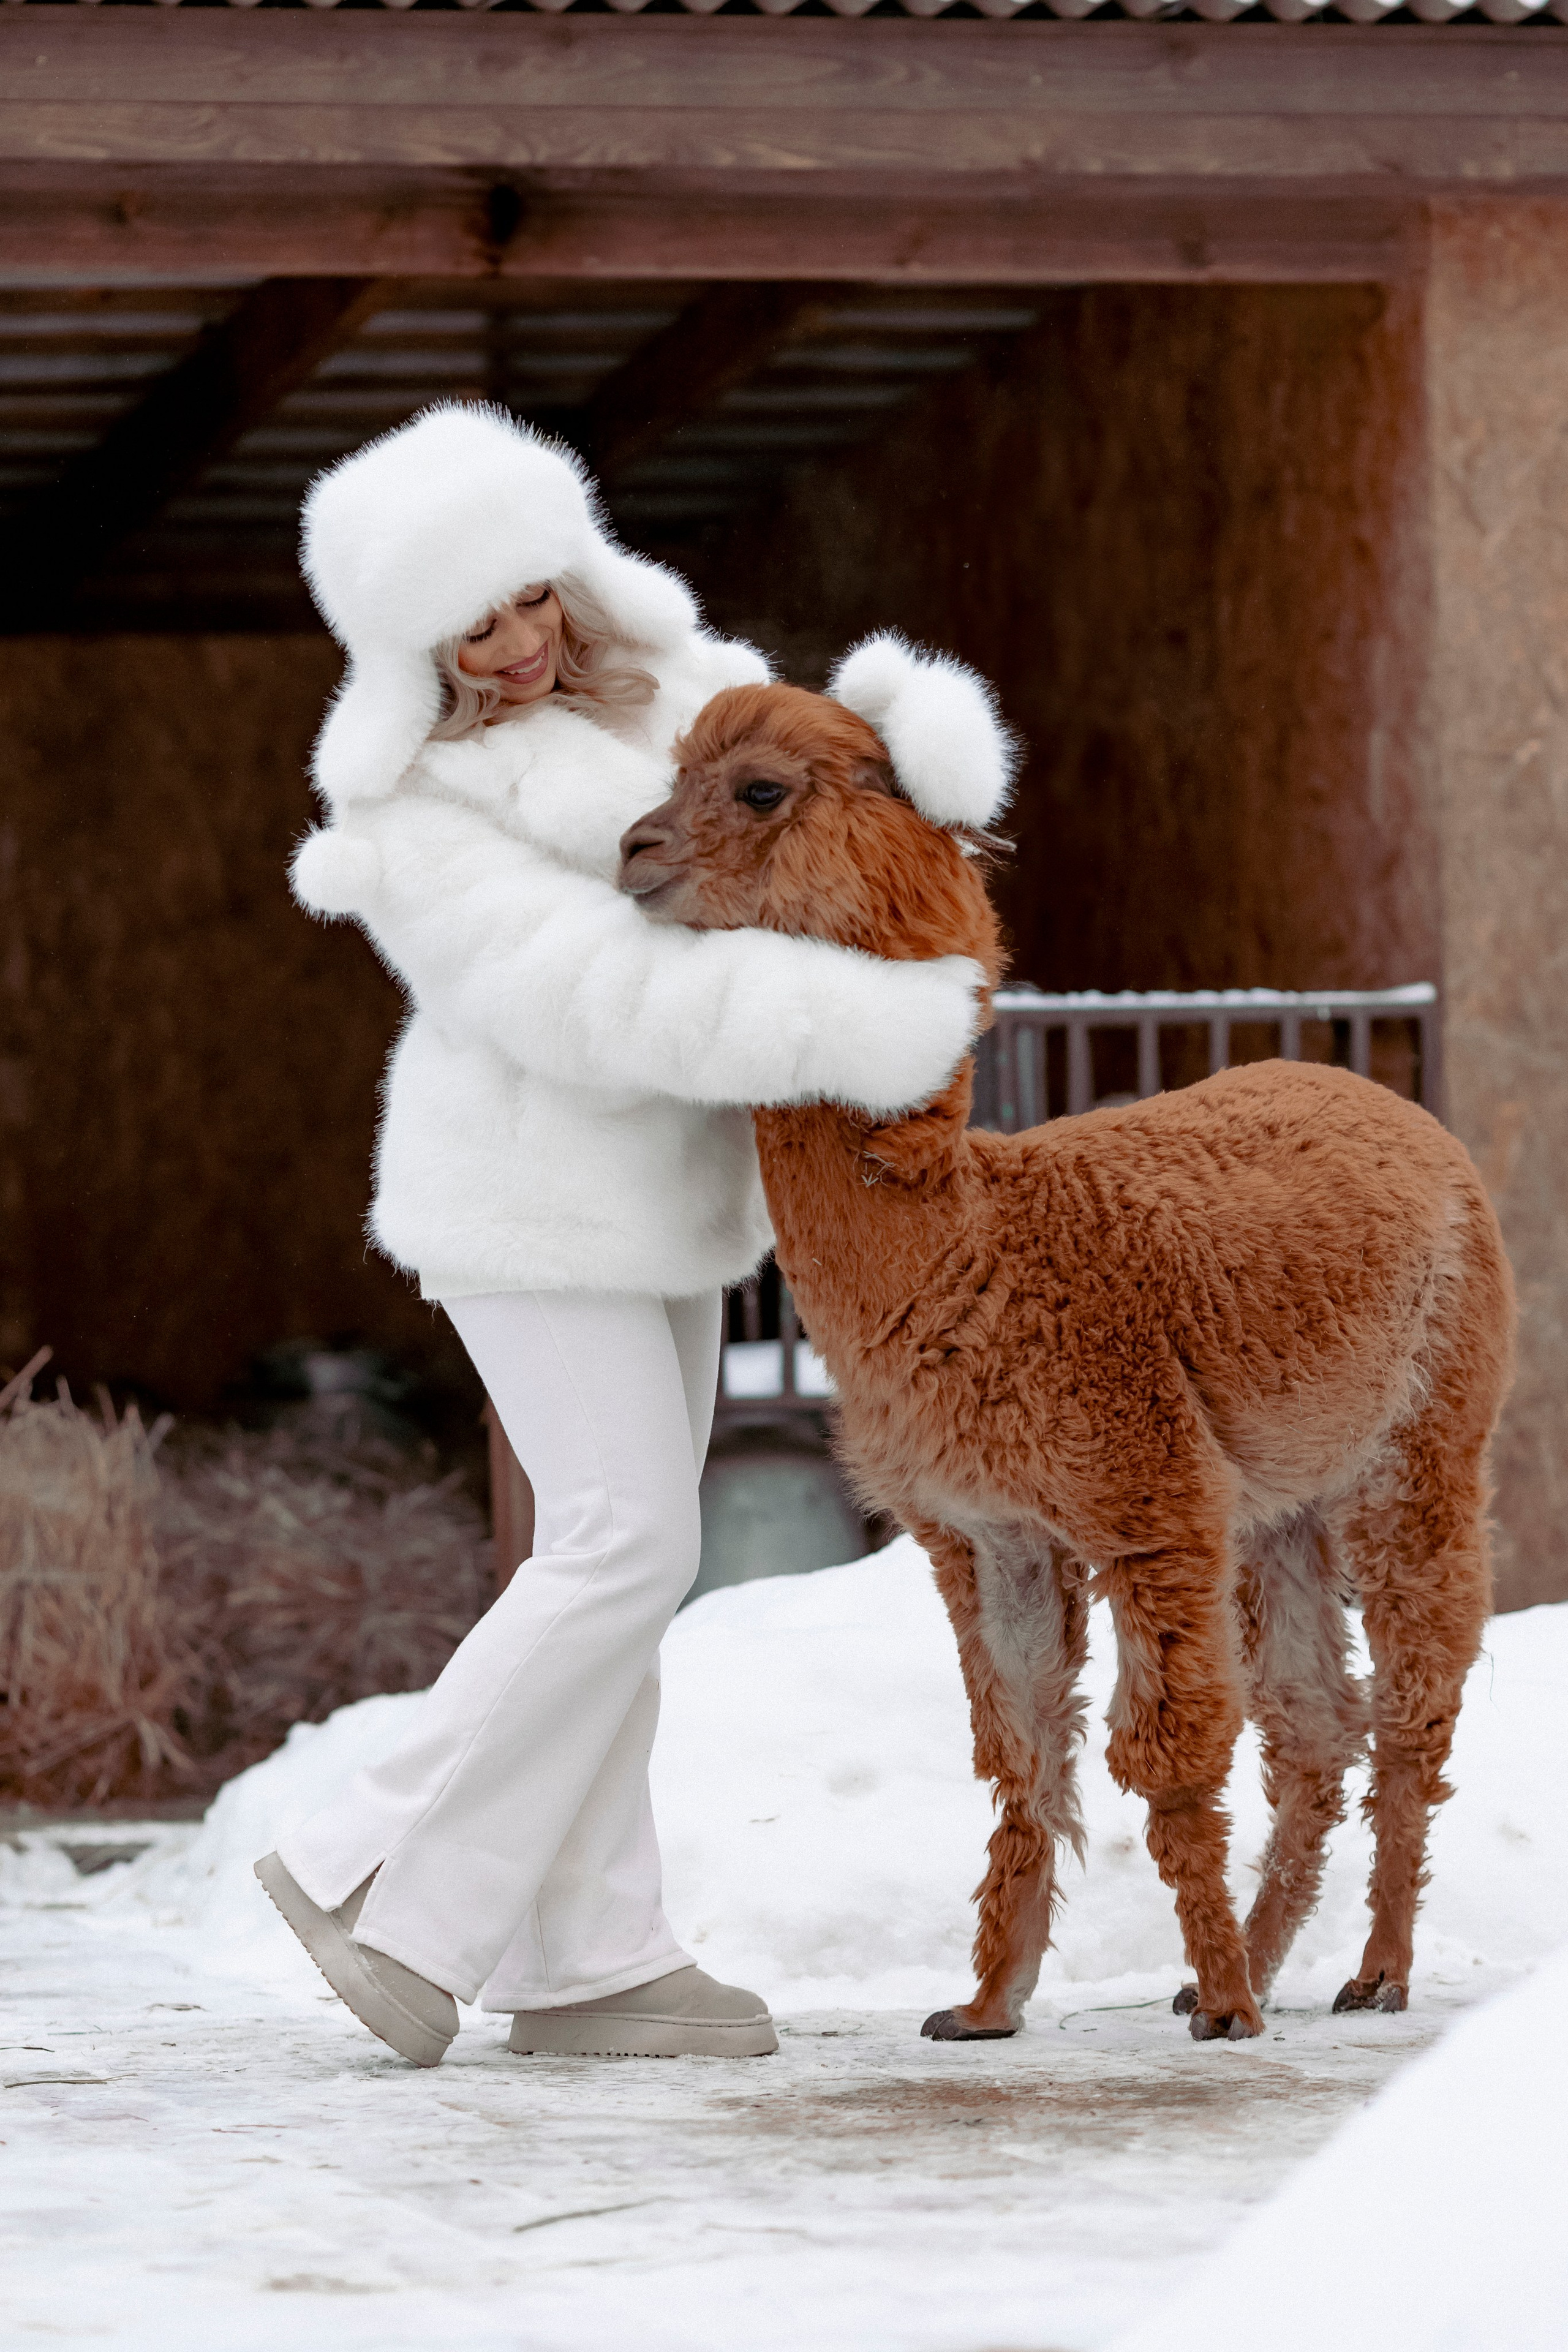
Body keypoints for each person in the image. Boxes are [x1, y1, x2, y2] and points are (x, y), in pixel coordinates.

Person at [253, 402, 982, 2067]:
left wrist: (914, 768)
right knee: (620, 1545)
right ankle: (369, 1866)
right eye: (467, 631)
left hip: (664, 1207)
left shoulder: (680, 693)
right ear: (408, 654)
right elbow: (586, 1001)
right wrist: (842, 1028)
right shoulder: (424, 812)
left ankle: (589, 1952)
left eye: (526, 600)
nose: (512, 647)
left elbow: (809, 802)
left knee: (620, 1568)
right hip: (523, 1199)